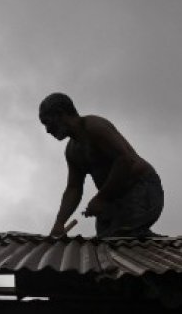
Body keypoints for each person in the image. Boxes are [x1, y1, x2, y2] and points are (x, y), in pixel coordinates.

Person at [39, 93, 163, 238]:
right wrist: (59, 223)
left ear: (60, 114)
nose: (47, 130)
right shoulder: (72, 151)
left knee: (125, 237)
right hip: (111, 198)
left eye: (48, 122)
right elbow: (74, 187)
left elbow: (125, 160)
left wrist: (101, 198)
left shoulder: (94, 127)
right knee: (106, 242)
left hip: (141, 189)